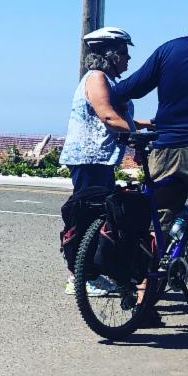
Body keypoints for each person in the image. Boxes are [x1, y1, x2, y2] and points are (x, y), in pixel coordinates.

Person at [113, 0, 188, 339]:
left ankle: (143, 306)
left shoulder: (168, 51)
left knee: (158, 224)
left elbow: (128, 89)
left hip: (164, 150)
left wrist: (109, 101)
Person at [59, 27, 137, 299]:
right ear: (111, 55)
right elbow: (108, 117)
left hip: (99, 159)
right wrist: (138, 136)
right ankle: (80, 277)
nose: (128, 59)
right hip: (89, 158)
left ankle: (90, 273)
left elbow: (120, 119)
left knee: (99, 216)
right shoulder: (97, 78)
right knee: (86, 217)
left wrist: (155, 125)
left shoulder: (107, 80)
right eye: (124, 53)